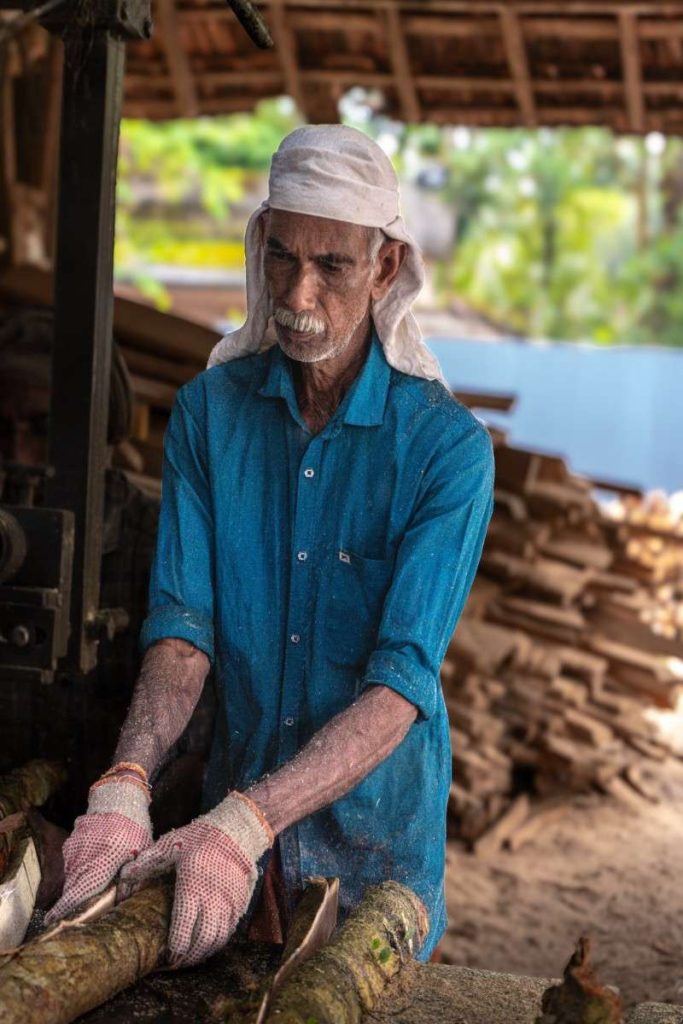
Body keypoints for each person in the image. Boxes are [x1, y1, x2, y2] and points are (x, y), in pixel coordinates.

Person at [46, 125, 495, 967]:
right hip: (232, 852)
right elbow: (183, 634)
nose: (297, 293)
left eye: (332, 266)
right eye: (281, 257)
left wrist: (246, 820)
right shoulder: (209, 416)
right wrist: (126, 783)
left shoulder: (446, 452)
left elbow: (399, 687)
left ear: (385, 268)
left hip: (374, 857)